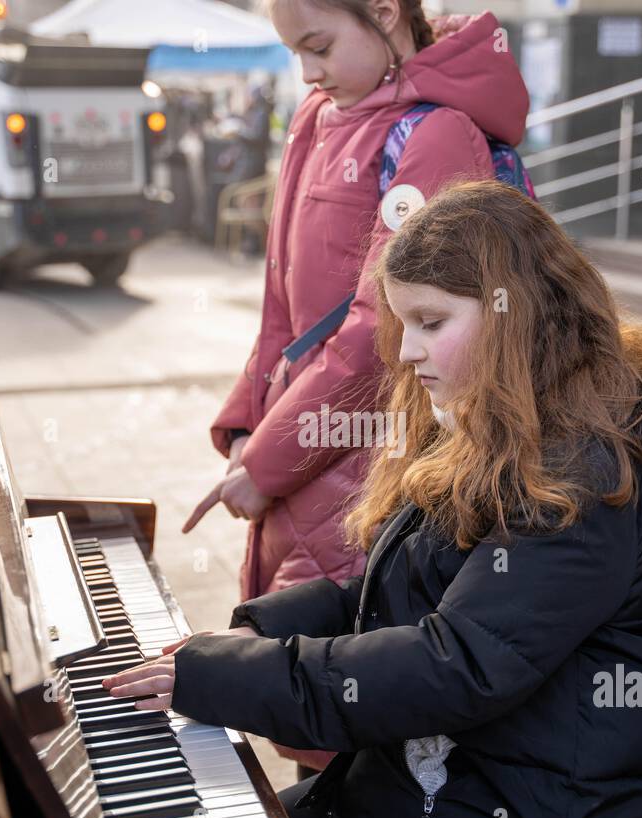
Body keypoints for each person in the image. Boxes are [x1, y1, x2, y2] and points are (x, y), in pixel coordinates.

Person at [103, 180, 642, 818]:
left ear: (517, 316)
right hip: (445, 791)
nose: (406, 352)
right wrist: (254, 633)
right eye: (402, 323)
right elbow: (400, 593)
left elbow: (453, 667)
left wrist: (230, 678)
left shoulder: (586, 480)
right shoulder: (502, 429)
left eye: (431, 322)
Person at [180, 1, 530, 777]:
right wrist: (247, 425)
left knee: (354, 727)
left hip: (371, 466)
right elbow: (281, 303)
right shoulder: (317, 116)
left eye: (319, 45)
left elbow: (388, 336)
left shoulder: (438, 133)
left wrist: (268, 461)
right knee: (309, 708)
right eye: (293, 52)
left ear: (382, 11)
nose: (306, 72)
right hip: (305, 453)